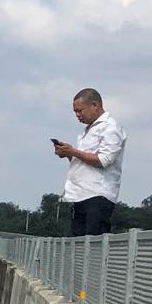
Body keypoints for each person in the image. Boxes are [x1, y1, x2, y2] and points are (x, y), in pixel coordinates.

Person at [55, 87, 126, 237]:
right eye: (75, 112)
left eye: (80, 111)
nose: (77, 115)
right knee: (79, 248)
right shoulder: (87, 131)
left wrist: (73, 151)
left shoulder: (110, 127)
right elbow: (84, 163)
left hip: (97, 196)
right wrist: (68, 154)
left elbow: (103, 160)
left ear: (94, 105)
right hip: (80, 195)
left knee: (93, 246)